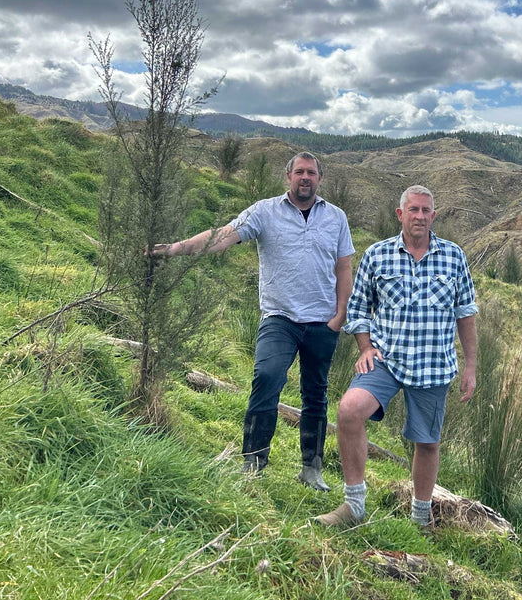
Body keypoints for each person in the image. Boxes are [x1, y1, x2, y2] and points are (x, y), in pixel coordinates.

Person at [149, 152, 353, 489]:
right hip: (279, 316)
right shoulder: (265, 211)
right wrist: (175, 248)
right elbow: (223, 236)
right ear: (288, 176)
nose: (306, 178)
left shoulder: (337, 218)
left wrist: (340, 314)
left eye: (312, 173)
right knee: (267, 377)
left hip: (322, 321)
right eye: (299, 172)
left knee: (316, 394)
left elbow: (343, 266)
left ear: (320, 178)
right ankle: (254, 460)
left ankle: (311, 468)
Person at [316, 185, 478, 530]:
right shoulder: (377, 255)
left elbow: (466, 313)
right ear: (400, 215)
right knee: (348, 411)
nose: (420, 216)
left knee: (427, 442)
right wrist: (364, 347)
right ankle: (354, 507)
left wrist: (471, 366)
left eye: (426, 210)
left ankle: (420, 521)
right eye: (413, 210)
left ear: (434, 216)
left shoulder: (454, 256)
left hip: (434, 365)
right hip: (386, 359)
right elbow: (358, 308)